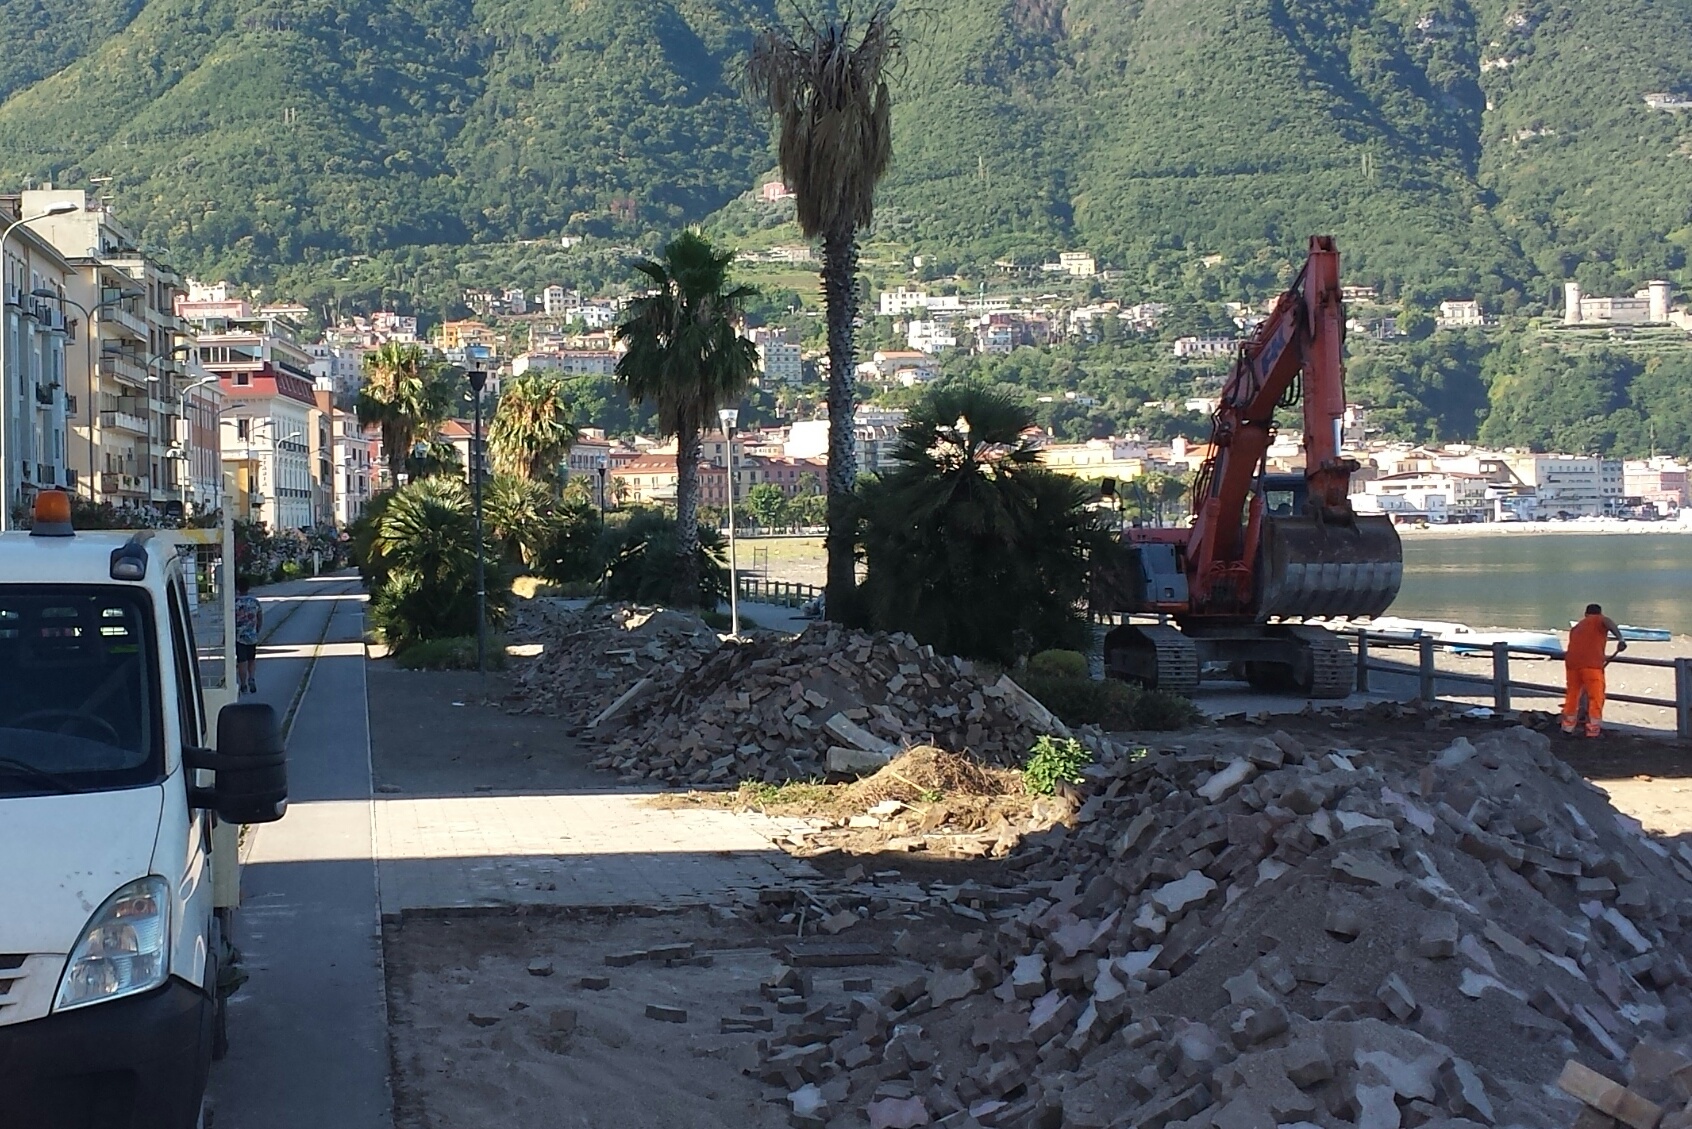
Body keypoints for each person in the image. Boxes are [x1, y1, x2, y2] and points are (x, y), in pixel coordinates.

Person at [1563, 603, 1625, 737]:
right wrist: (1620, 639)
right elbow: (1608, 622)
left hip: (1572, 664)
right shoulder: (1599, 620)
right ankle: (1593, 730)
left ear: (1585, 614)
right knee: (1595, 697)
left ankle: (1567, 727)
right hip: (1591, 666)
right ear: (1599, 613)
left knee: (1572, 696)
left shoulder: (1577, 627)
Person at [234, 576, 263, 695]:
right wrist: (257, 630)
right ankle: (251, 678)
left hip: (239, 636)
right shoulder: (254, 602)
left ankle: (243, 684)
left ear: (237, 588)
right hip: (252, 635)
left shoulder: (235, 603)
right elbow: (260, 617)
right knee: (251, 659)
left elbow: (231, 620)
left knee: (242, 661)